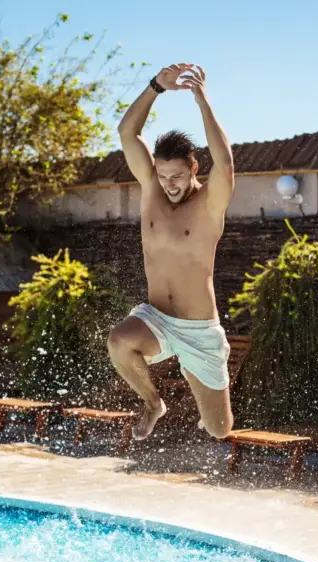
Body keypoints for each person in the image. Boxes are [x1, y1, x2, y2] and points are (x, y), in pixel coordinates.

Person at [108, 63, 235, 441]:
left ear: (194, 167)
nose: (169, 184)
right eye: (163, 176)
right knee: (119, 341)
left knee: (219, 430)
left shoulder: (211, 204)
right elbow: (127, 132)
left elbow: (225, 161)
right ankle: (153, 403)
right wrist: (154, 88)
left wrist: (202, 100)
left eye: (177, 176)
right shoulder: (151, 189)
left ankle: (206, 404)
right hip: (156, 320)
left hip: (198, 329)